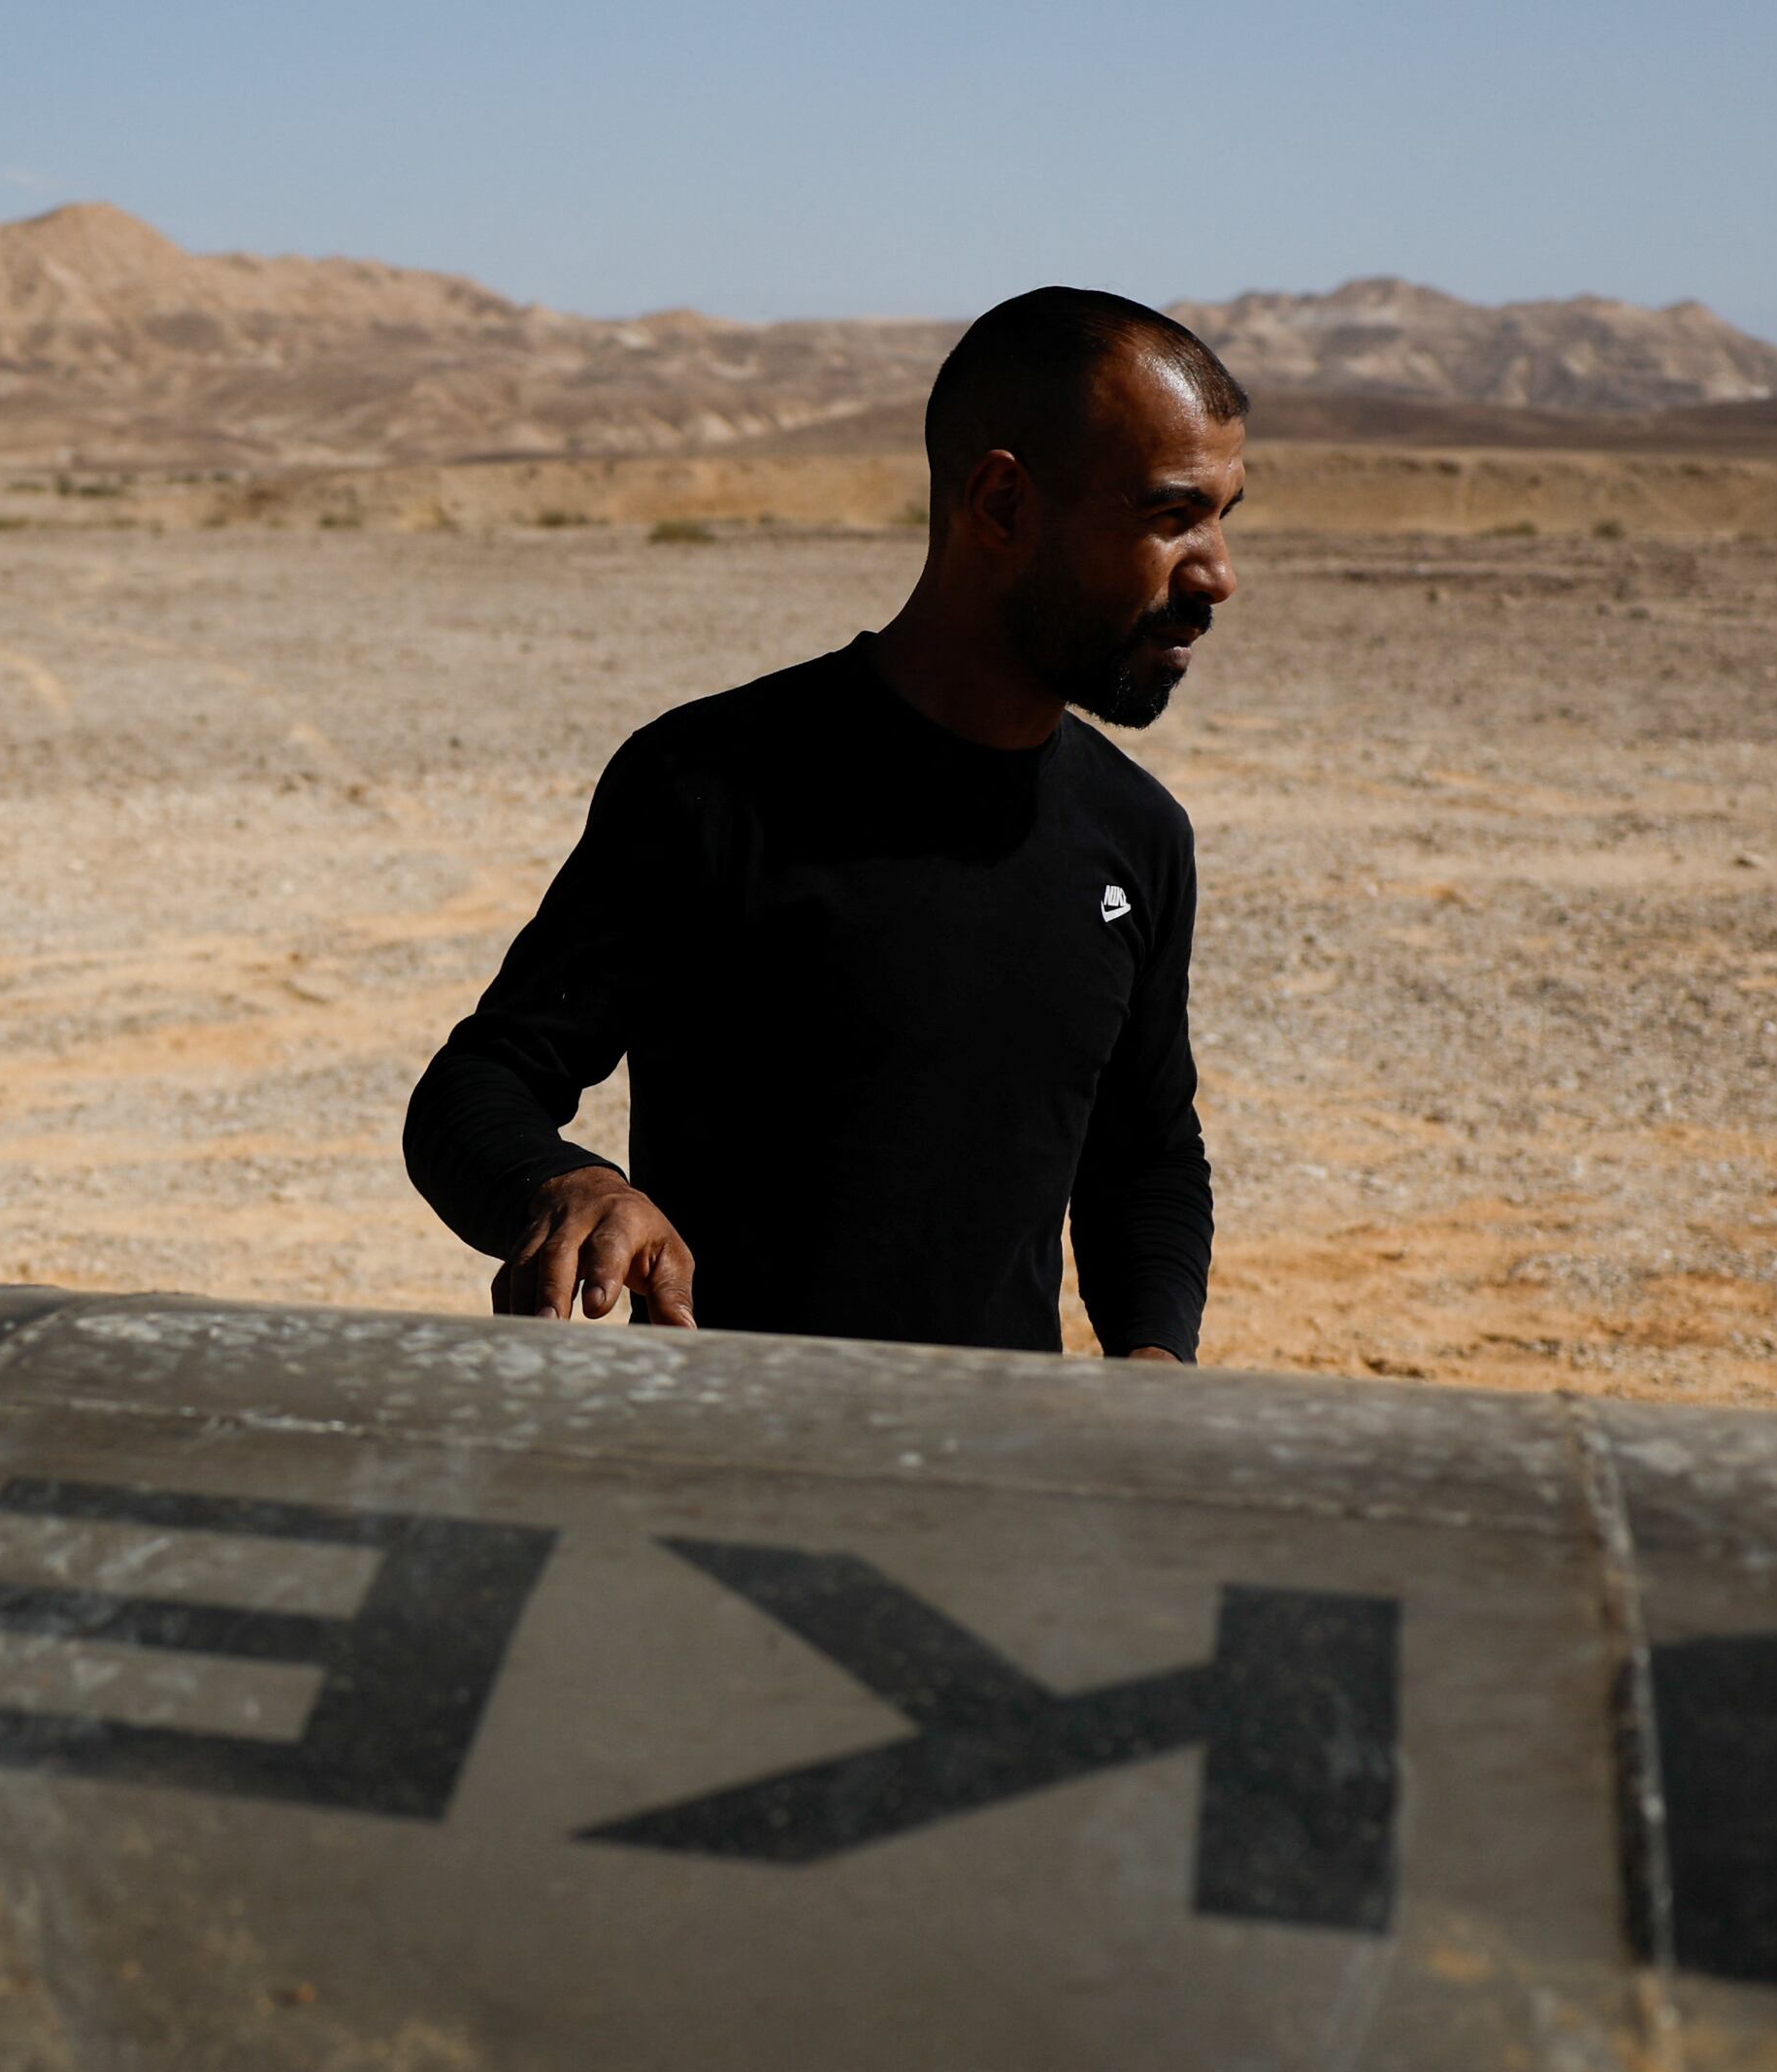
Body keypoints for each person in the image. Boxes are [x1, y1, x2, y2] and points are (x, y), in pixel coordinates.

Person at [400, 285, 1244, 1357]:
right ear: (999, 506)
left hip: (987, 1487)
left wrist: (1154, 1362)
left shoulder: (1136, 833)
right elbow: (474, 1089)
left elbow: (1145, 1155)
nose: (1217, 572)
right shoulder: (710, 783)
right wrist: (566, 1188)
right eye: (1170, 516)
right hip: (715, 1477)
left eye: (1224, 515)